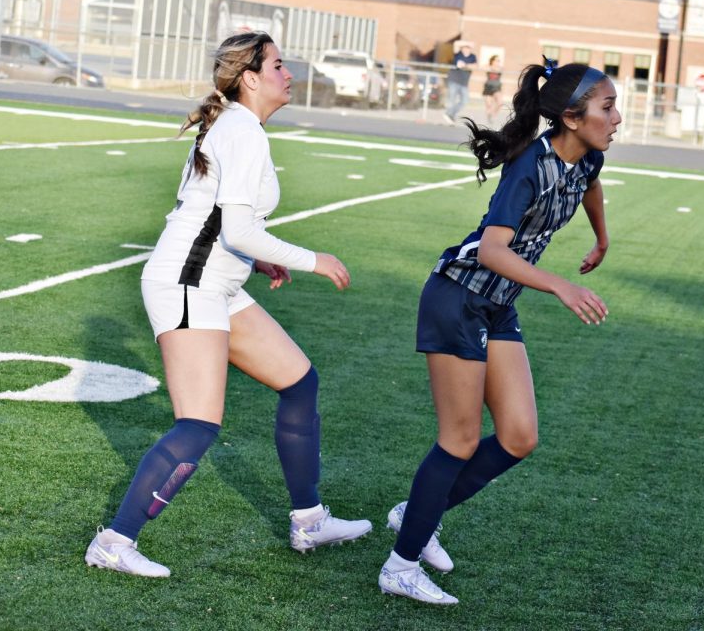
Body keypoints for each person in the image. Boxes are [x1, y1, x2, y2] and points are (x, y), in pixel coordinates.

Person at [85, 32, 370, 578]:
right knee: (197, 424)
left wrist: (258, 260)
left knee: (299, 380)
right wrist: (315, 258)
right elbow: (237, 225)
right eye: (280, 65)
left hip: (215, 283)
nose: (291, 74)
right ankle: (115, 542)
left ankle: (308, 520)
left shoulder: (241, 128)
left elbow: (214, 219)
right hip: (188, 285)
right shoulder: (242, 130)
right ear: (251, 78)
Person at [377, 58, 620, 606]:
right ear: (572, 118)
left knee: (518, 436)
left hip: (497, 303)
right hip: (458, 298)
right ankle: (400, 565)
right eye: (608, 108)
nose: (617, 117)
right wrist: (560, 286)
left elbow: (590, 185)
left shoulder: (589, 154)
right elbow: (491, 249)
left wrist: (602, 238)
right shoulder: (528, 167)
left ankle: (416, 515)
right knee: (459, 440)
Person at [443, 41, 478, 124]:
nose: (466, 49)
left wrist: (465, 65)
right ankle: (449, 115)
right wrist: (466, 43)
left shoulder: (472, 57)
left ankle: (450, 114)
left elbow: (475, 66)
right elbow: (456, 44)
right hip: (454, 80)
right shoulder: (458, 54)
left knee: (465, 101)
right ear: (462, 48)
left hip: (464, 83)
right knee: (452, 99)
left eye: (468, 48)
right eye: (464, 48)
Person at [481, 54, 504, 125]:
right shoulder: (488, 66)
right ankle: (489, 118)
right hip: (488, 87)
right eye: (496, 60)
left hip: (497, 87)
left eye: (499, 61)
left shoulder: (500, 68)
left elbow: (500, 70)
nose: (498, 62)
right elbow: (483, 67)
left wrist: (493, 68)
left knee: (500, 103)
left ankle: (493, 115)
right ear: (492, 61)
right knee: (488, 105)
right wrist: (490, 67)